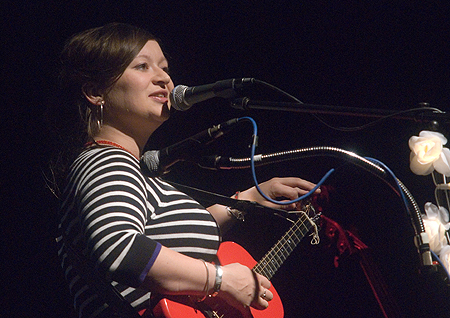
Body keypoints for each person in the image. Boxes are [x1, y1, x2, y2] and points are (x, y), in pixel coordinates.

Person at [56, 22, 320, 318]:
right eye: (143, 67)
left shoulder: (132, 172)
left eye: (165, 68)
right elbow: (119, 246)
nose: (164, 79)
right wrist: (221, 279)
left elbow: (171, 234)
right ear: (96, 92)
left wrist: (247, 199)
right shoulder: (104, 160)